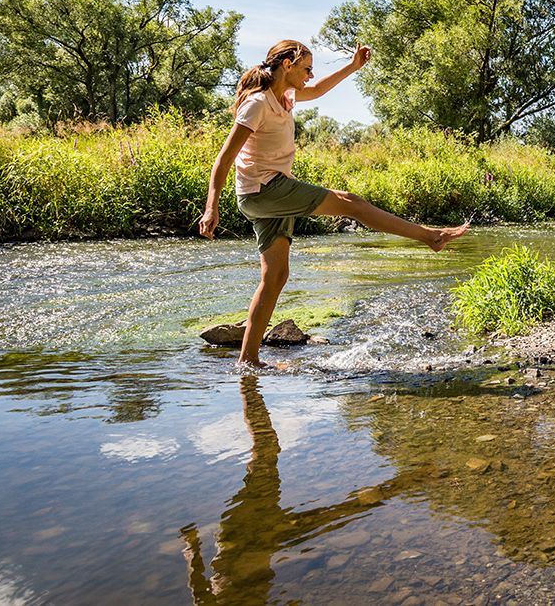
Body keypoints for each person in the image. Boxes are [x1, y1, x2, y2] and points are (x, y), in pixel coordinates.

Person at [198, 40, 468, 367]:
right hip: (264, 191)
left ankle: (248, 362)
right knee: (350, 202)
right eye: (306, 68)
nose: (311, 75)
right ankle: (429, 236)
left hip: (269, 195)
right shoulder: (257, 104)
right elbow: (224, 158)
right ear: (287, 64)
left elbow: (322, 89)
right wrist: (211, 206)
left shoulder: (286, 97)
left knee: (275, 277)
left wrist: (354, 66)